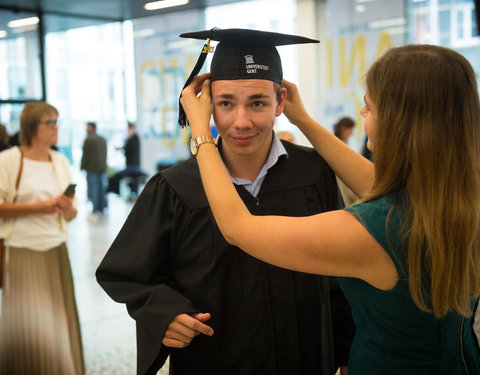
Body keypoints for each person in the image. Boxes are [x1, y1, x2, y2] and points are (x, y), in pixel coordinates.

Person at [180, 43, 480, 374]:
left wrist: (200, 132)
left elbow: (238, 228)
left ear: (400, 122)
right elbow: (379, 185)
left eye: (370, 107)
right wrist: (304, 120)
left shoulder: (375, 231)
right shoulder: (460, 200)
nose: (363, 114)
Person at [96, 29, 354, 375]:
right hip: (217, 357)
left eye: (258, 103)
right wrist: (164, 313)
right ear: (208, 105)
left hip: (306, 355)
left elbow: (338, 272)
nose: (241, 122)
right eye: (226, 103)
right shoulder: (175, 187)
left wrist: (346, 352)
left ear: (280, 102)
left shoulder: (313, 172)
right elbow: (125, 274)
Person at [0, 102, 84, 375]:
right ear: (31, 127)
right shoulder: (10, 159)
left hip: (55, 249)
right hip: (22, 248)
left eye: (57, 121)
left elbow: (70, 214)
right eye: (49, 122)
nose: (55, 127)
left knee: (57, 320)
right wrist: (41, 206)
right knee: (27, 322)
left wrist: (67, 208)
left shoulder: (60, 161)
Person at [107, 121, 148, 200]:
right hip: (130, 166)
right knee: (116, 176)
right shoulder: (131, 138)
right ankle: (117, 192)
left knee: (116, 176)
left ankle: (116, 192)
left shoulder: (134, 137)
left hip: (133, 167)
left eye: (128, 128)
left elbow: (128, 149)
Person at [80, 121, 107, 220]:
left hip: (92, 168)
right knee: (101, 189)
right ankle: (101, 209)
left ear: (92, 127)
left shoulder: (88, 140)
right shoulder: (102, 139)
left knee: (93, 190)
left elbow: (85, 155)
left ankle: (94, 211)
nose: (86, 128)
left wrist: (82, 166)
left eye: (87, 126)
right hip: (102, 168)